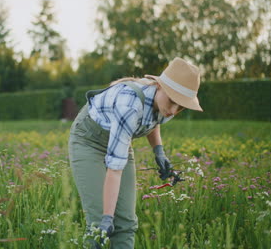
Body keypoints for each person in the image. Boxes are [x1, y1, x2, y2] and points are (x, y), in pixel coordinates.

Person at [68, 57, 203, 248]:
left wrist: (159, 152)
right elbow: (114, 170)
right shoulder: (129, 106)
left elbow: (154, 120)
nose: (173, 110)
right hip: (89, 141)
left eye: (180, 106)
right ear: (159, 85)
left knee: (126, 223)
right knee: (99, 224)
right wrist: (107, 218)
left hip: (120, 138)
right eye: (172, 101)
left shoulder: (166, 105)